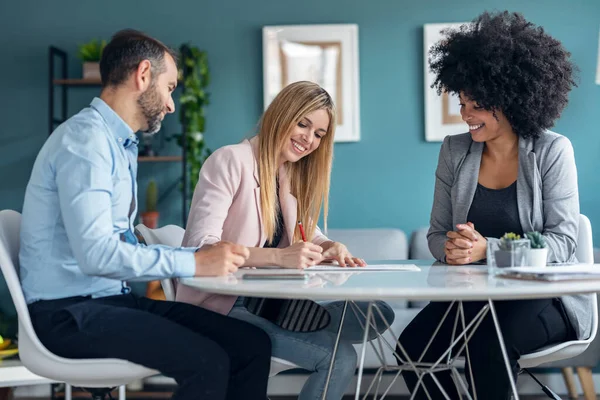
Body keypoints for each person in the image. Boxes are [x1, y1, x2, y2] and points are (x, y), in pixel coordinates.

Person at [19, 29, 272, 400]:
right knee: (208, 362)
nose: (171, 105)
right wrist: (196, 264)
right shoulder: (86, 143)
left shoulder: (117, 144)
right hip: (68, 315)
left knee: (251, 344)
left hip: (108, 302)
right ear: (142, 75)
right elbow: (96, 255)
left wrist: (200, 259)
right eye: (169, 87)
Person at [397, 11, 590, 399]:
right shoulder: (455, 150)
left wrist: (491, 249)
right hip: (474, 297)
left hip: (543, 297)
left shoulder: (552, 151)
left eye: (477, 104)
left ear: (512, 98)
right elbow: (436, 235)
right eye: (462, 102)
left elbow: (565, 243)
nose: (466, 114)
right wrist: (452, 249)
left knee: (489, 343)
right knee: (412, 348)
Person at [175, 81, 395, 400]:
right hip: (222, 306)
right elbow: (202, 247)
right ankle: (316, 326)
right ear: (282, 114)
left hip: (264, 299)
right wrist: (279, 259)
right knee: (340, 357)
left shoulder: (287, 175)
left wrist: (328, 247)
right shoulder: (230, 161)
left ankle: (308, 321)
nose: (309, 139)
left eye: (319, 134)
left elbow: (305, 233)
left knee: (373, 314)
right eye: (303, 123)